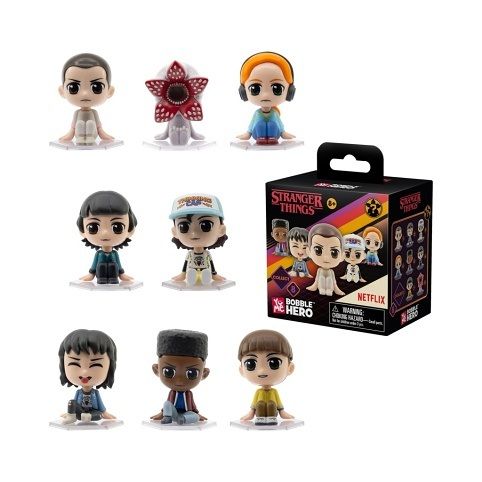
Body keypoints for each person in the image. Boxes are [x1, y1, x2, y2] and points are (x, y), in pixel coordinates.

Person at [77, 191, 137, 284]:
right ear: (82, 230)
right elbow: (94, 266)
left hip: (114, 274)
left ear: (130, 229)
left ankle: (113, 279)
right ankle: (102, 280)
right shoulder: (98, 254)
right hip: (100, 274)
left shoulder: (114, 254)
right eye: (93, 227)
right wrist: (91, 275)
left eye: (117, 227)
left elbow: (119, 265)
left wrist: (121, 274)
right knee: (101, 266)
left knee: (114, 266)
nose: (105, 233)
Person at [58, 329, 117, 424]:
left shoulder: (95, 393)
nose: (84, 373)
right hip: (80, 411)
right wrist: (70, 411)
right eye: (74, 364)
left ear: (110, 367)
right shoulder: (78, 393)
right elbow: (75, 404)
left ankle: (86, 417)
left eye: (96, 365)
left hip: (93, 412)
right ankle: (72, 416)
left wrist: (104, 413)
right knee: (71, 402)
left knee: (99, 415)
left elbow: (100, 405)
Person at [151, 330, 210, 425]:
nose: (180, 381)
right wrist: (163, 413)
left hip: (187, 414)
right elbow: (168, 405)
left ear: (204, 374)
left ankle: (182, 419)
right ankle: (167, 417)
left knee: (195, 417)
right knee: (167, 403)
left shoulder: (188, 394)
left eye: (192, 374)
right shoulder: (172, 393)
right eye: (169, 372)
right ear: (156, 369)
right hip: (172, 413)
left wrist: (197, 414)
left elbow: (193, 406)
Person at [237, 52, 296, 145]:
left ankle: (272, 137)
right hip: (258, 135)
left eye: (277, 88)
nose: (265, 95)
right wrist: (248, 134)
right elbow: (252, 125)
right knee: (259, 124)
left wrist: (283, 133)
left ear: (289, 92)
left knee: (272, 124)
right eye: (255, 88)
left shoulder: (274, 113)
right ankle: (261, 137)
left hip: (274, 135)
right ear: (243, 92)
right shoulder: (257, 113)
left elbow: (279, 125)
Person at [238, 330, 295, 425]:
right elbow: (253, 406)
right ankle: (260, 418)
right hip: (259, 413)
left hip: (273, 412)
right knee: (259, 404)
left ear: (290, 368)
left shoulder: (274, 392)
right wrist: (250, 414)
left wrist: (282, 413)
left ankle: (271, 418)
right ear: (242, 370)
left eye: (274, 363)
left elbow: (279, 405)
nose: (262, 371)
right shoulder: (258, 392)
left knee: (272, 404)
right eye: (250, 364)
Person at [170, 193, 228, 286]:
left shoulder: (207, 254)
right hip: (191, 269)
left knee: (206, 278)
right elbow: (185, 264)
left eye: (206, 225)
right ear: (175, 232)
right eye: (184, 226)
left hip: (205, 270)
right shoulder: (190, 254)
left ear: (221, 230)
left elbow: (211, 264)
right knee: (191, 276)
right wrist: (183, 274)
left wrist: (214, 275)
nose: (194, 233)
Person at [58, 53, 116, 144]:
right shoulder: (77, 113)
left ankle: (89, 137)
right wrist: (68, 136)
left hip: (92, 135)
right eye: (73, 87)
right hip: (78, 136)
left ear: (109, 91)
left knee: (91, 123)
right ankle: (81, 137)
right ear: (62, 91)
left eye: (97, 87)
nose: (85, 94)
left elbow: (99, 128)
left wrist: (105, 136)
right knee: (79, 123)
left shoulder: (94, 113)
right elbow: (73, 128)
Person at [306, 223, 345, 296]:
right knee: (321, 278)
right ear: (309, 252)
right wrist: (313, 287)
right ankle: (322, 289)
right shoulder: (319, 270)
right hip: (320, 288)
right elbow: (316, 281)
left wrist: (337, 290)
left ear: (342, 256)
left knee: (330, 279)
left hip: (330, 289)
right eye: (318, 250)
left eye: (334, 253)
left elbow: (334, 283)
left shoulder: (331, 272)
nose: (326, 257)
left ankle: (329, 290)